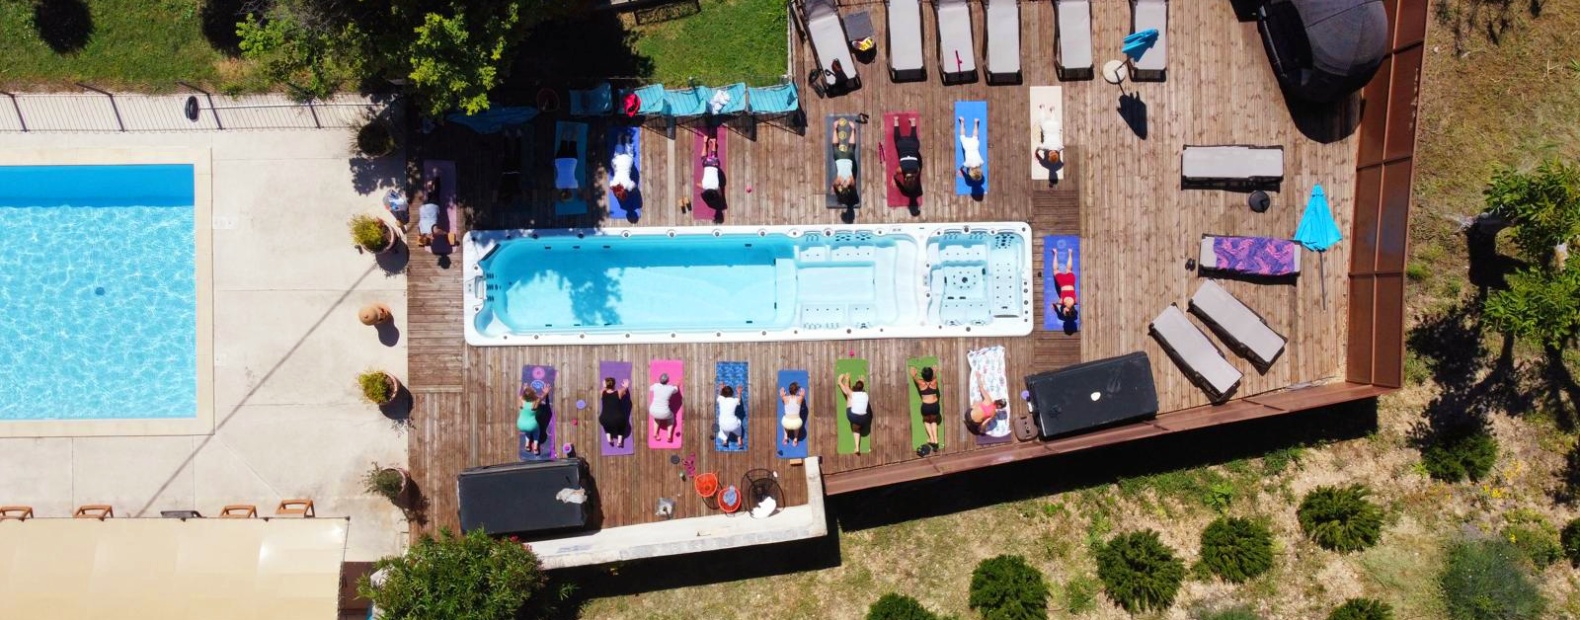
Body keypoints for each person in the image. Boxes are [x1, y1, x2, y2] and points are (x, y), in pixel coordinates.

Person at [909, 366, 941, 454]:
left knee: (926, 421)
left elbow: (914, 378)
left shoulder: (921, 383)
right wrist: (934, 372)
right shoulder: (935, 382)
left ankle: (931, 438)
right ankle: (935, 439)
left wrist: (913, 374)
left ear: (923, 376)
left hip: (926, 406)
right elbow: (934, 377)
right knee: (933, 420)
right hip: (935, 406)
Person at [965, 370, 1006, 436]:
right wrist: (982, 431)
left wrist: (978, 377)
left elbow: (981, 388)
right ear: (1000, 408)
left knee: (979, 402)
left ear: (998, 400)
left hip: (967, 414)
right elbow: (984, 424)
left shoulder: (988, 399)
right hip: (973, 423)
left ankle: (975, 410)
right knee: (983, 414)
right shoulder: (994, 414)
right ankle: (970, 422)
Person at [891, 115, 922, 196]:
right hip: (903, 145)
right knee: (896, 139)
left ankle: (913, 122)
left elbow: (918, 170)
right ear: (904, 179)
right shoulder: (901, 169)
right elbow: (894, 174)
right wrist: (893, 179)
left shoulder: (916, 169)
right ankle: (896, 120)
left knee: (914, 139)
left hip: (913, 145)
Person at [831, 117, 858, 205]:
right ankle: (835, 128)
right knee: (835, 146)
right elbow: (834, 185)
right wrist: (835, 188)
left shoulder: (851, 183)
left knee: (851, 147)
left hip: (849, 158)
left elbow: (853, 184)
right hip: (839, 158)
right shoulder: (838, 182)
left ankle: (853, 129)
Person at [518, 384, 551, 454]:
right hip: (531, 425)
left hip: (521, 424)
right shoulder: (535, 402)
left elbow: (525, 396)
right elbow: (543, 396)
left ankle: (527, 445)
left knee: (527, 430)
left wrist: (525, 390)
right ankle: (535, 447)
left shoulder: (520, 399)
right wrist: (546, 392)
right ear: (533, 396)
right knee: (536, 431)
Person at [598, 377, 631, 448]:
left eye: (603, 382)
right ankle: (619, 442)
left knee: (606, 425)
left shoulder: (602, 392)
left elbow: (605, 389)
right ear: (613, 385)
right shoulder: (619, 392)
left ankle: (609, 438)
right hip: (617, 419)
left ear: (606, 385)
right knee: (621, 425)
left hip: (604, 418)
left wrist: (605, 386)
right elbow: (624, 389)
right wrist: (625, 386)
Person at [838, 373, 872, 439]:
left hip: (854, 417)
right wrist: (861, 382)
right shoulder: (865, 395)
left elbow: (847, 387)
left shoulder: (852, 394)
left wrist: (847, 378)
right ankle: (856, 447)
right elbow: (859, 388)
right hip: (865, 419)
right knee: (855, 427)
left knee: (848, 396)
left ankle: (839, 382)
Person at [649, 373, 680, 443]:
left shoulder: (655, 386)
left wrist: (654, 383)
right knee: (671, 417)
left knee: (656, 417)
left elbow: (651, 388)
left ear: (660, 380)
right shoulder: (671, 388)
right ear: (668, 380)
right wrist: (677, 384)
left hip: (653, 410)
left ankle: (655, 433)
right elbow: (676, 390)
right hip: (664, 412)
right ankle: (669, 435)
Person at [1034, 104, 1065, 169]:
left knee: (1053, 122)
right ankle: (1042, 108)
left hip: (1056, 127)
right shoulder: (1045, 147)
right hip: (1046, 128)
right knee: (1042, 121)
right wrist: (1036, 153)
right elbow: (1038, 148)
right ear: (1049, 155)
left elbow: (1063, 147)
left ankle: (1052, 111)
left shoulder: (1059, 148)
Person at [610, 129, 637, 202]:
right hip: (617, 162)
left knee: (629, 154)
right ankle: (619, 138)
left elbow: (634, 185)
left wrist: (632, 189)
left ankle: (627, 139)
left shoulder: (628, 186)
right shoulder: (613, 185)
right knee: (618, 154)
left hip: (627, 161)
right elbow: (611, 187)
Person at [1052, 248, 1078, 323]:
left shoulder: (1074, 302)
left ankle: (1070, 253)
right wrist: (1056, 306)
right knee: (1055, 270)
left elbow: (1075, 300)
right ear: (1066, 310)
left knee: (1069, 269)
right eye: (1063, 311)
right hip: (1063, 283)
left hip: (1070, 282)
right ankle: (1055, 253)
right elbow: (1055, 305)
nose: (1062, 311)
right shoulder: (1062, 302)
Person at [957, 116, 984, 185]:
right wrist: (961, 171)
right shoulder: (967, 164)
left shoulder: (981, 162)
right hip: (967, 146)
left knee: (975, 136)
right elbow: (962, 167)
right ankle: (962, 122)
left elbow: (980, 162)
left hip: (975, 146)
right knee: (962, 136)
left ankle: (975, 122)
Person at [554, 134, 580, 202]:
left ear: (571, 193)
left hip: (571, 160)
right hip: (560, 160)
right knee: (563, 143)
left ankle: (576, 127)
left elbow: (579, 190)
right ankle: (565, 127)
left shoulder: (574, 185)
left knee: (573, 143)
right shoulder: (558, 185)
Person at [779, 382, 805, 447]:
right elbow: (803, 393)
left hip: (787, 423)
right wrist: (801, 393)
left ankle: (785, 437)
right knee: (797, 425)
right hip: (796, 423)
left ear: (789, 390)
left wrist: (783, 393)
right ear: (796, 391)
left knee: (785, 420)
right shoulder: (800, 398)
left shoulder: (785, 398)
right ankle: (795, 439)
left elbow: (781, 394)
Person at [699, 136, 723, 203]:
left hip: (715, 165)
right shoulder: (704, 186)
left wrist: (720, 196)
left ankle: (714, 142)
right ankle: (705, 141)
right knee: (703, 157)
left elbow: (720, 191)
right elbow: (698, 184)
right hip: (707, 165)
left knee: (714, 156)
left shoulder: (716, 187)